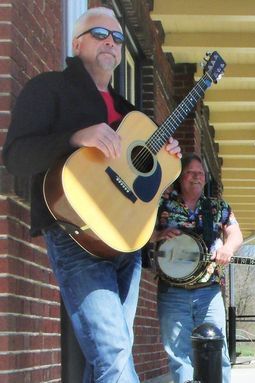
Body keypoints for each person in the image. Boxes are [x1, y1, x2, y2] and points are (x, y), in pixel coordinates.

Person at [2, 7, 181, 382]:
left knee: (108, 354)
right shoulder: (49, 87)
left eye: (118, 38)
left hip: (126, 245)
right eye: (101, 33)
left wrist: (167, 161)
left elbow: (144, 185)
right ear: (77, 42)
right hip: (75, 233)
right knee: (114, 352)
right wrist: (74, 138)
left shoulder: (133, 115)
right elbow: (16, 157)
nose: (112, 43)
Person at [150, 153, 243, 383]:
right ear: (181, 177)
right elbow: (139, 233)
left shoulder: (216, 206)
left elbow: (235, 233)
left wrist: (228, 248)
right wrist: (159, 234)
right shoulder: (162, 203)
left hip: (208, 291)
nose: (196, 177)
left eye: (200, 173)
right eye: (191, 172)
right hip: (171, 291)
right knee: (179, 354)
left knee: (216, 347)